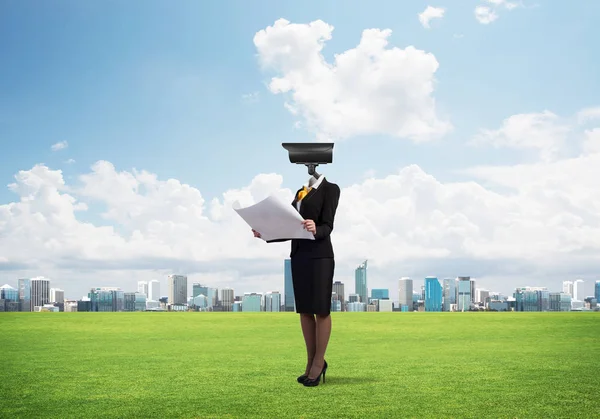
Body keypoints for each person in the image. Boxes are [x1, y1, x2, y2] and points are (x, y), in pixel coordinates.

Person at [252, 173, 340, 387]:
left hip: (320, 256)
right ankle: (310, 362)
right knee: (305, 311)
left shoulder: (331, 189)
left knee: (321, 310)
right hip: (299, 256)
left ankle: (319, 362)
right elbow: (290, 228)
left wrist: (316, 228)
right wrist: (265, 234)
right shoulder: (299, 194)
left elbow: (328, 225)